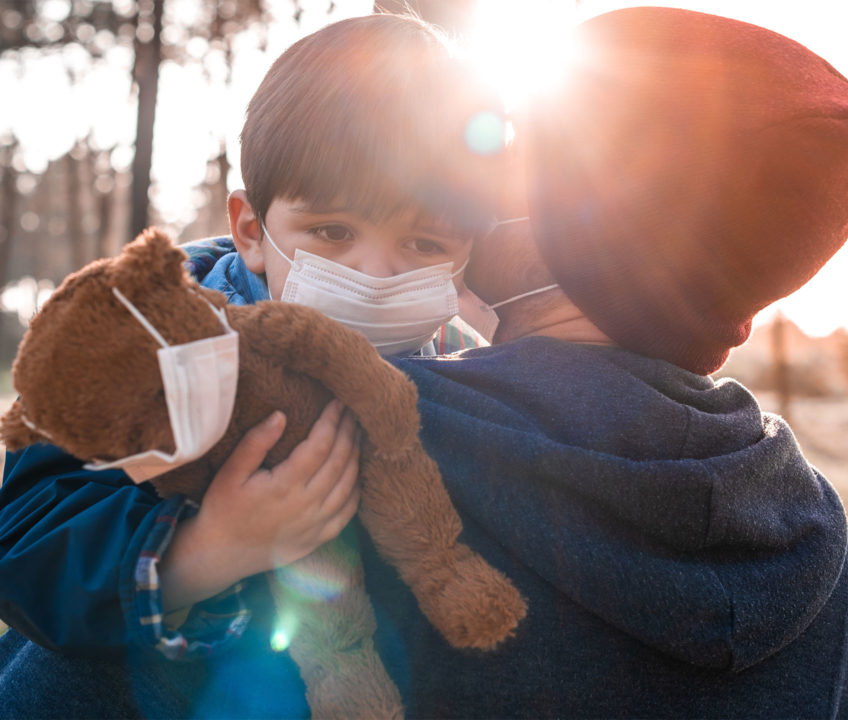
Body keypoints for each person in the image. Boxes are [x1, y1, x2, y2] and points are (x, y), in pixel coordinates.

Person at [0, 13, 503, 719]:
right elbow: (27, 540)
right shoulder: (142, 342)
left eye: (423, 244)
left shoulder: (463, 372)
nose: (375, 272)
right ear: (250, 230)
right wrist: (207, 547)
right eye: (333, 232)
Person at [358, 7, 848, 718]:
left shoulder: (381, 436)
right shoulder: (822, 542)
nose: (479, 174)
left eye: (522, 146)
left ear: (585, 222)